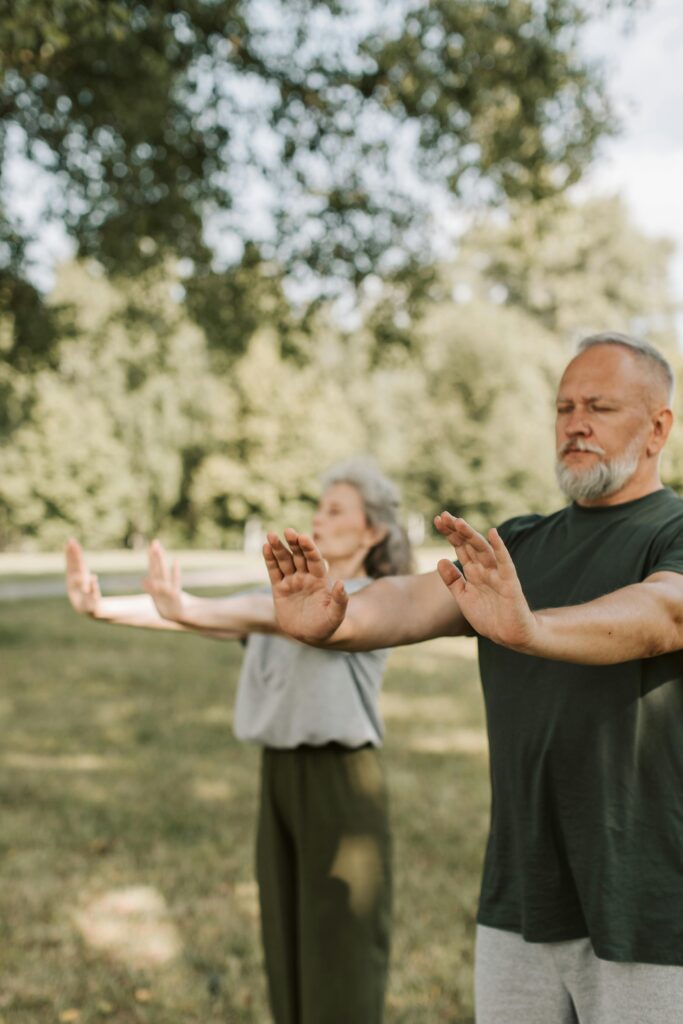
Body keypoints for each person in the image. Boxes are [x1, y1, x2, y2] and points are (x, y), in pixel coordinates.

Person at [263, 333, 683, 1024]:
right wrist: (335, 621)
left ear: (657, 425)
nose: (574, 423)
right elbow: (413, 598)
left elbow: (661, 614)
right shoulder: (516, 543)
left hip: (649, 907)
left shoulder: (670, 530)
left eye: (599, 407)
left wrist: (534, 630)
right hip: (521, 897)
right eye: (562, 407)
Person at [65, 459, 413, 1024]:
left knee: (342, 942)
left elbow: (258, 614)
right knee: (285, 928)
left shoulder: (374, 597)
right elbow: (216, 616)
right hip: (278, 774)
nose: (319, 519)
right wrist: (101, 607)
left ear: (372, 531)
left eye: (335, 510)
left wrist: (189, 607)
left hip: (341, 781)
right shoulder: (277, 595)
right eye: (318, 507)